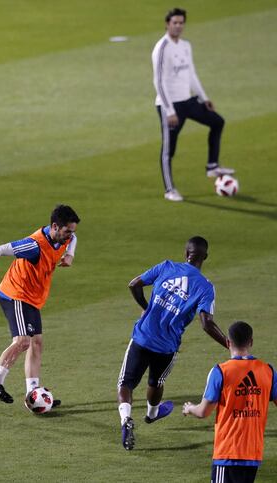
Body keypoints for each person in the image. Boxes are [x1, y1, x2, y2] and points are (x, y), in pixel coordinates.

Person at [0, 204, 80, 411]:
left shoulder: (65, 237)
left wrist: (69, 256)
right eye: (67, 231)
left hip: (32, 298)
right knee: (22, 341)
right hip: (15, 295)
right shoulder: (34, 246)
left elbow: (73, 239)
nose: (70, 236)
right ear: (55, 227)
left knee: (36, 343)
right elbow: (1, 250)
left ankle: (33, 392)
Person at [117, 236, 228, 450]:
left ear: (186, 253)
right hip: (167, 346)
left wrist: (147, 307)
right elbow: (206, 323)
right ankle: (152, 413)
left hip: (142, 337)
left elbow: (134, 284)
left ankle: (126, 419)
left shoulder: (166, 266)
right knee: (156, 382)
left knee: (126, 383)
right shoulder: (206, 287)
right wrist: (228, 343)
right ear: (205, 257)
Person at [152, 8, 235, 202]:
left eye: (181, 23)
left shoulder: (185, 46)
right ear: (167, 24)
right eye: (175, 23)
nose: (179, 26)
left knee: (217, 122)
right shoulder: (162, 48)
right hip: (170, 106)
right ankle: (169, 190)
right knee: (168, 150)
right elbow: (158, 82)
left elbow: (192, 74)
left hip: (189, 101)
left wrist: (203, 97)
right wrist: (170, 111)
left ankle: (212, 166)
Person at [183, 321, 277, 483]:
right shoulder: (268, 371)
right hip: (253, 454)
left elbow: (203, 412)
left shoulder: (220, 371)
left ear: (228, 342)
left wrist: (189, 408)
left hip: (228, 452)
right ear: (251, 342)